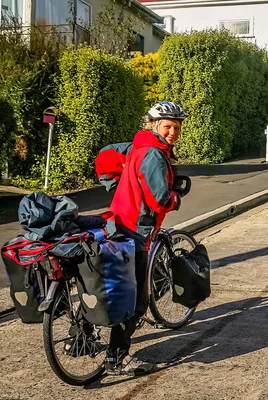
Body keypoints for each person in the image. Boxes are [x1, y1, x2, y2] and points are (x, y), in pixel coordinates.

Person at [104, 101, 186, 376]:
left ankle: (79, 339)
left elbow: (105, 157)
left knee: (111, 284)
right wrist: (175, 198)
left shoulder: (136, 146)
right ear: (154, 126)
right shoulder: (153, 154)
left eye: (176, 127)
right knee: (137, 299)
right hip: (135, 231)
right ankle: (117, 359)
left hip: (116, 221)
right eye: (167, 126)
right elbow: (159, 199)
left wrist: (116, 185)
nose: (172, 131)